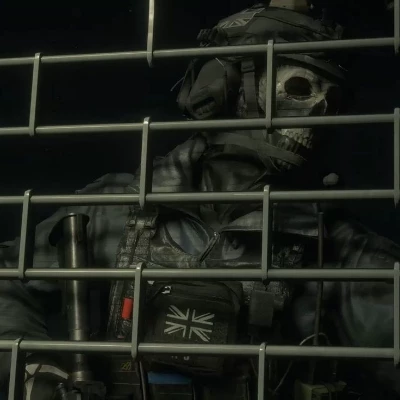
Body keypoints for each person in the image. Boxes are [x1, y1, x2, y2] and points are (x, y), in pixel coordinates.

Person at [0, 2, 399, 399]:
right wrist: (34, 369)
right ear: (226, 85)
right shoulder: (116, 207)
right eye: (299, 88)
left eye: (333, 99)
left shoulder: (337, 246)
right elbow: (7, 281)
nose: (319, 110)